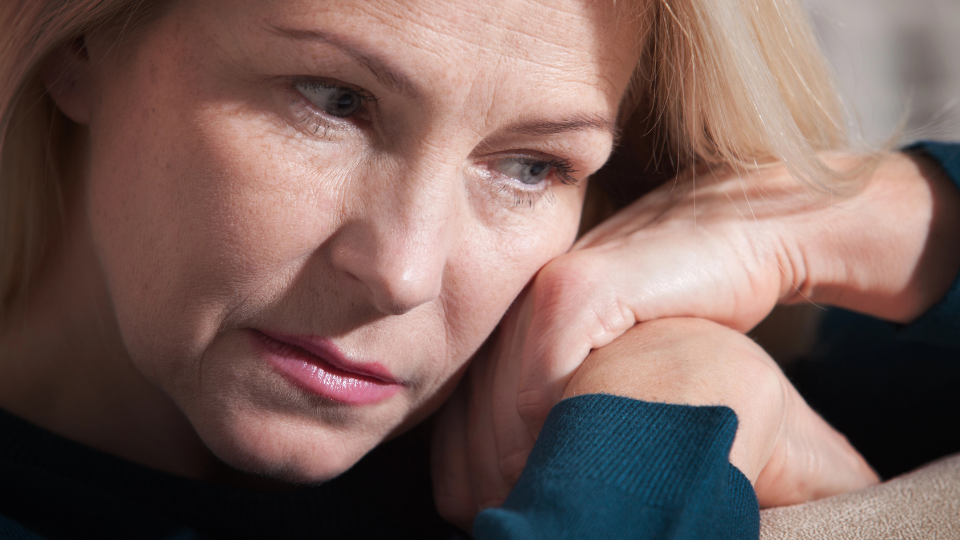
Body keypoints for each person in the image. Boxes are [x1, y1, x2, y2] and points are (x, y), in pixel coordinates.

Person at [0, 0, 957, 539]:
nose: (404, 272)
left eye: (532, 167)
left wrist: (877, 217)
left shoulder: (570, 372)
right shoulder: (653, 421)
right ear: (81, 41)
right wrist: (664, 427)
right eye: (334, 100)